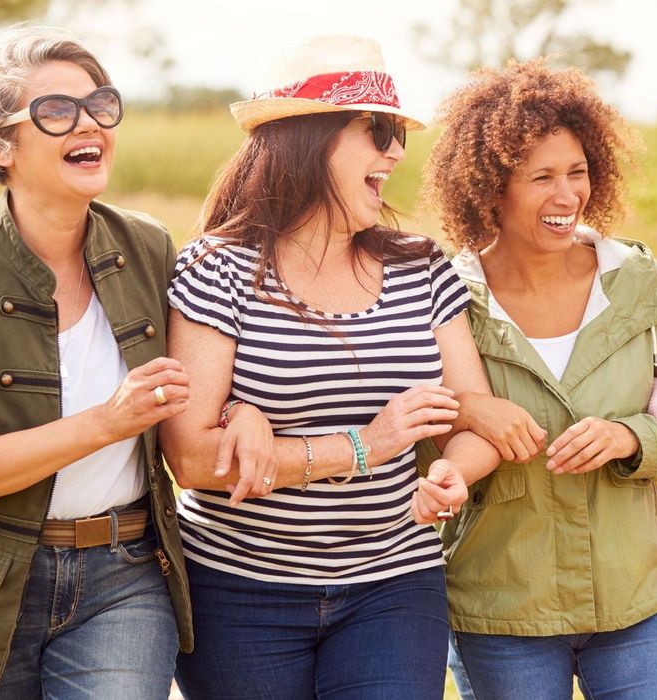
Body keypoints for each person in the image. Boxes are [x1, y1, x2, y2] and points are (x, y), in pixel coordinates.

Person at [159, 35, 501, 700]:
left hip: (393, 582)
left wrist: (450, 470)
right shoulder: (215, 269)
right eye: (376, 130)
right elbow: (193, 461)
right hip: (238, 592)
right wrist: (363, 447)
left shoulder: (421, 266)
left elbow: (473, 416)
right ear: (306, 139)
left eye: (397, 131)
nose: (396, 151)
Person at [0, 25, 193, 698]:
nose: (88, 124)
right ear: (1, 144)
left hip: (126, 573)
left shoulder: (150, 248)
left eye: (100, 104)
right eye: (57, 111)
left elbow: (206, 393)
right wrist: (106, 423)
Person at [419, 60, 657, 700]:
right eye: (543, 177)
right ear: (490, 188)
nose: (567, 195)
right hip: (503, 607)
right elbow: (429, 437)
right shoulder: (447, 298)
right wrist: (465, 437)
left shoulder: (636, 280)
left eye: (578, 172)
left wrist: (633, 438)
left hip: (636, 598)